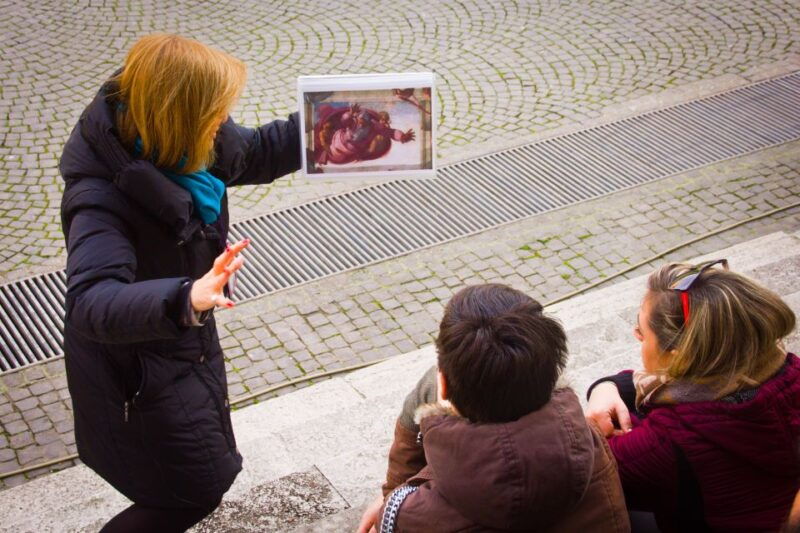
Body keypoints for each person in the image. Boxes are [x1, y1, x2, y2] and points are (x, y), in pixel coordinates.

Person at [59, 34, 300, 532]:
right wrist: (185, 296)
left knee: (200, 479)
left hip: (178, 346)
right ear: (181, 120)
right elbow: (90, 301)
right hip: (139, 368)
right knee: (194, 489)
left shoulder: (187, 140)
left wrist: (336, 120)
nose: (223, 124)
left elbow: (256, 151)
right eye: (215, 116)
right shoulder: (99, 197)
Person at [359, 284, 630, 533]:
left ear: (443, 386)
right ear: (550, 378)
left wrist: (394, 500)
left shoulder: (410, 516)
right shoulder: (592, 446)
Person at [585, 260, 799, 531]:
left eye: (641, 332)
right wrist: (608, 386)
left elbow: (589, 474)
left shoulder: (666, 442)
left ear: (680, 357)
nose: (636, 335)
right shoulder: (789, 368)